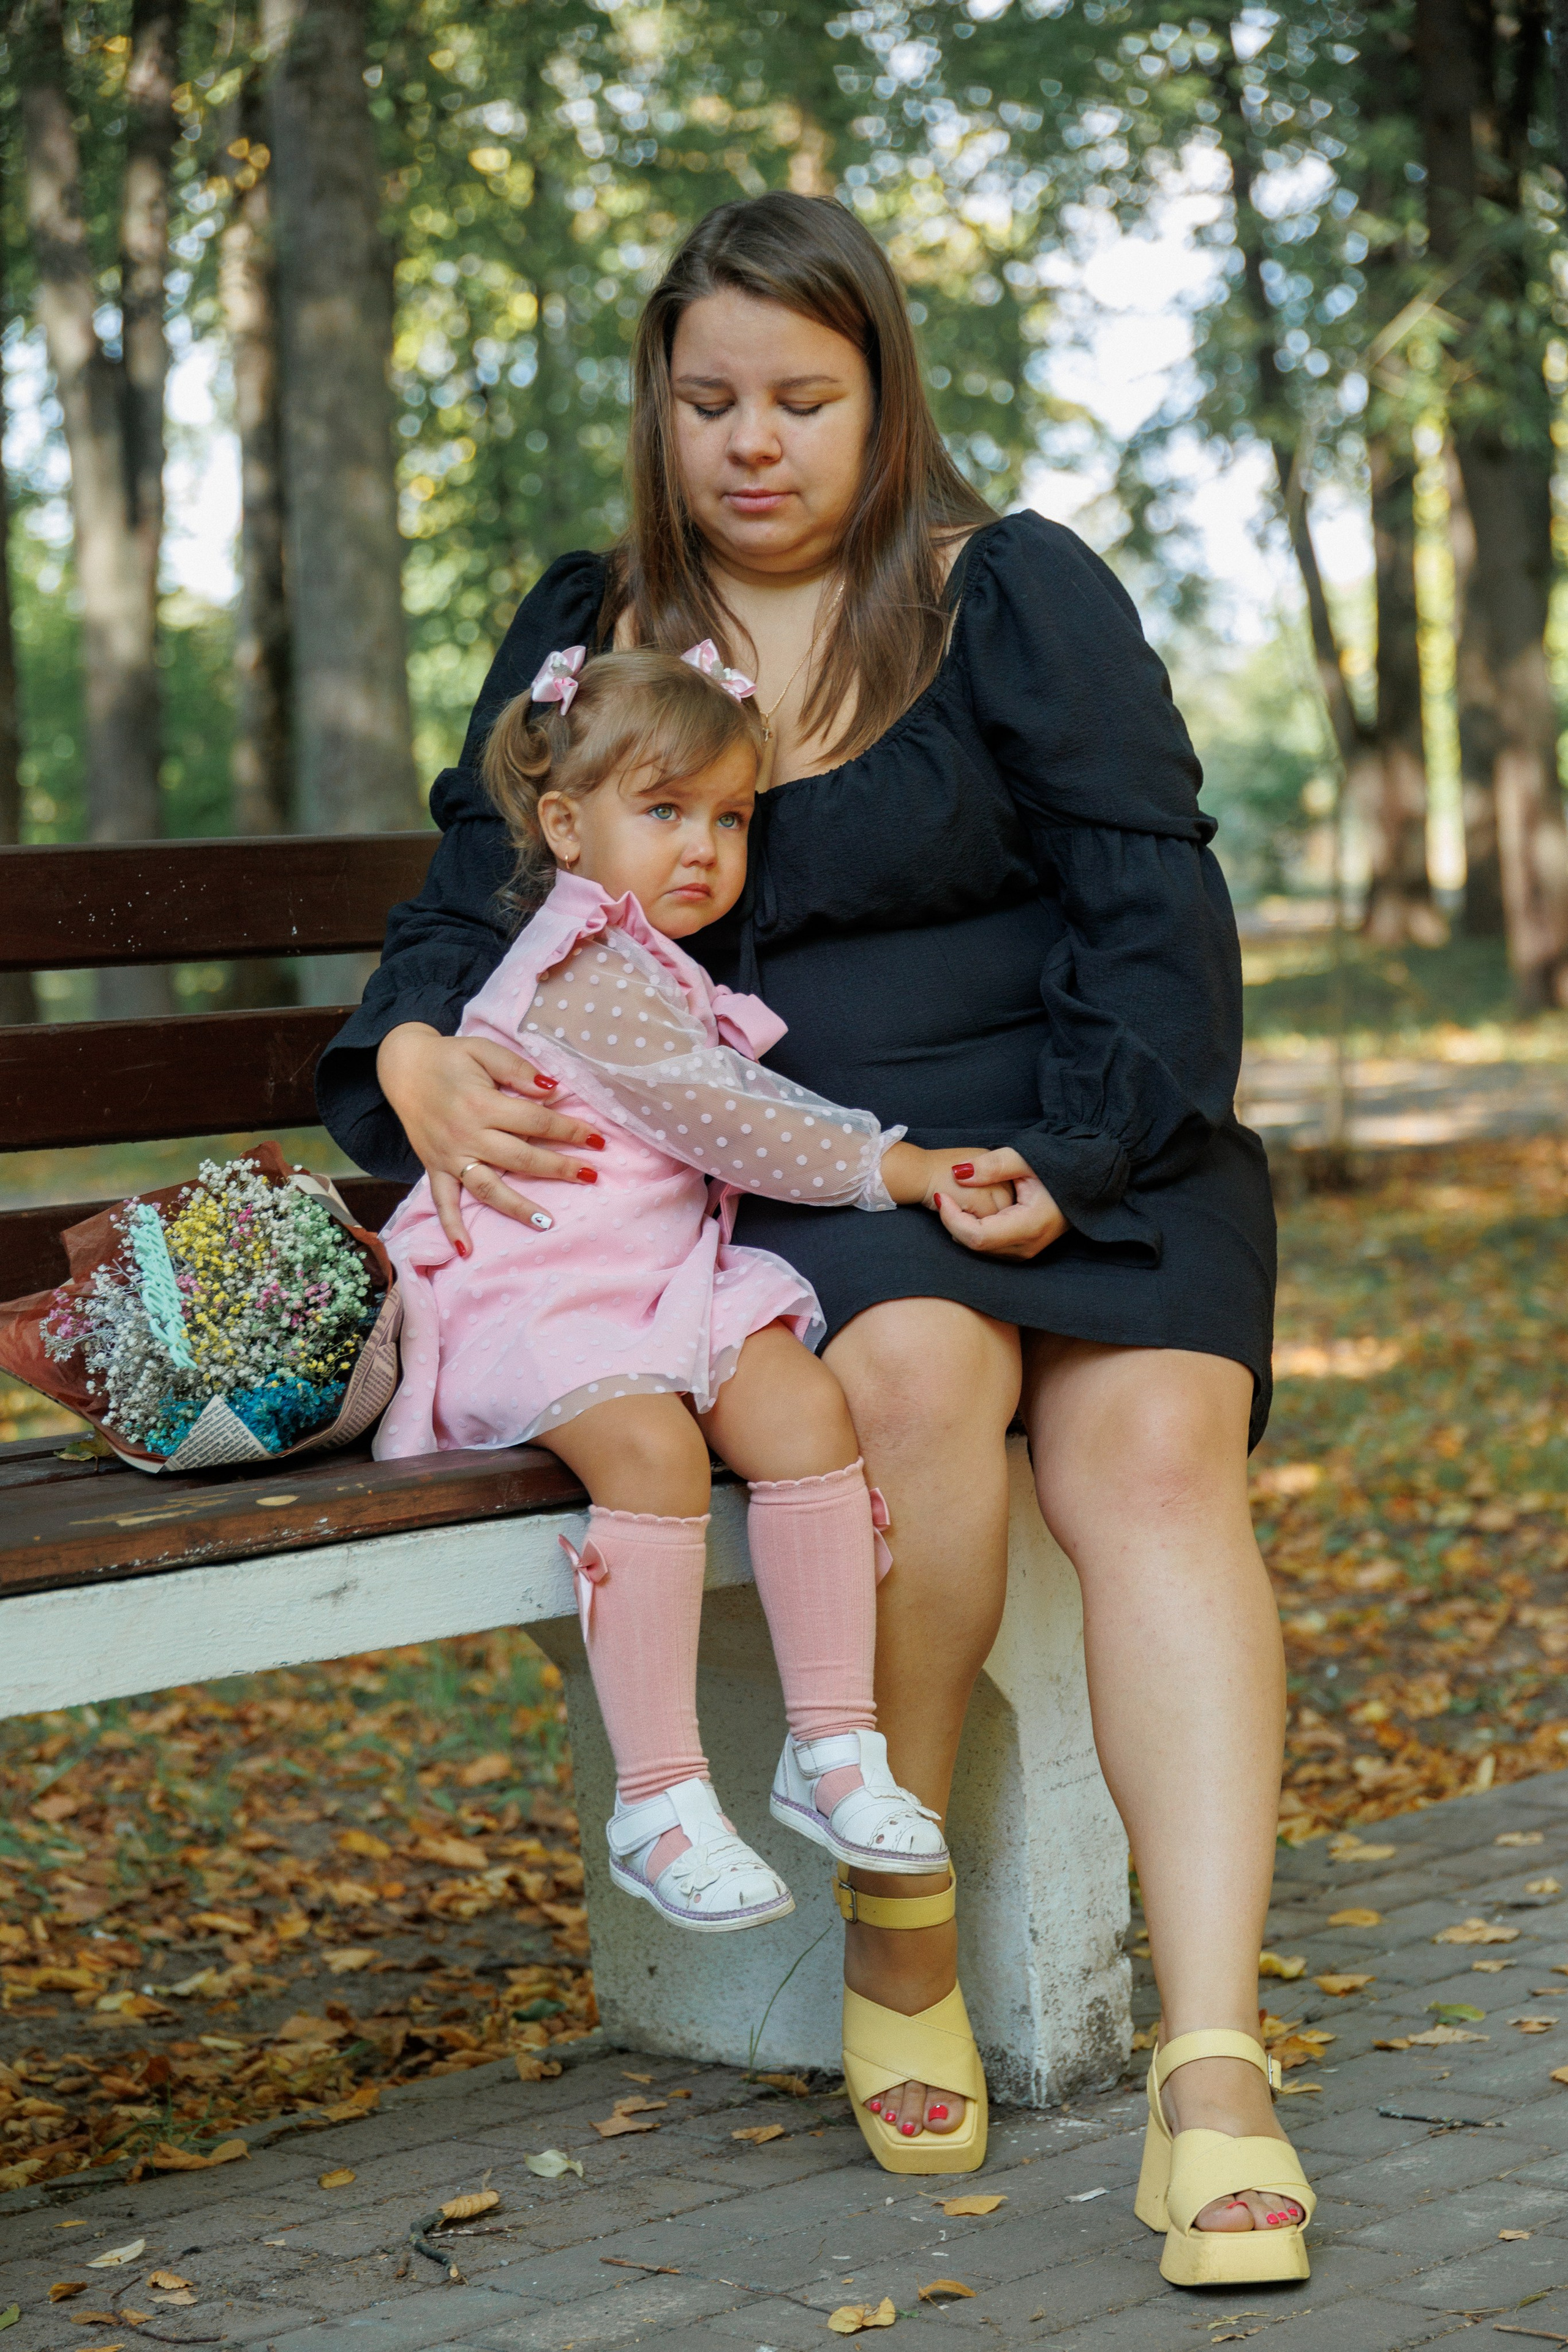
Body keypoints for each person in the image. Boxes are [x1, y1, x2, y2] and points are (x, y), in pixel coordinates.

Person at [318, 192, 1314, 2274]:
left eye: (801, 400)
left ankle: (1213, 2058)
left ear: (884, 400)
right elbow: (469, 908)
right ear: (657, 410)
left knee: (1151, 1465)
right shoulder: (596, 628)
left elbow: (1155, 915)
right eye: (709, 402)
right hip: (803, 1162)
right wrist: (411, 1052)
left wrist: (1087, 1148)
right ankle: (901, 1894)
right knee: (915, 1388)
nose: (752, 444)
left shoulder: (1012, 592)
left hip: (1086, 1125)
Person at [372, 641, 990, 2162]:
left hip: (648, 1278)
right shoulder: (584, 968)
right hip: (531, 1290)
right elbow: (732, 1119)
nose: (704, 848)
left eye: (726, 819)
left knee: (798, 1411)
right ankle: (655, 1798)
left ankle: (830, 1749)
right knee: (647, 1448)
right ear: (569, 827)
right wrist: (897, 1164)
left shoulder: (653, 956)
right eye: (665, 814)